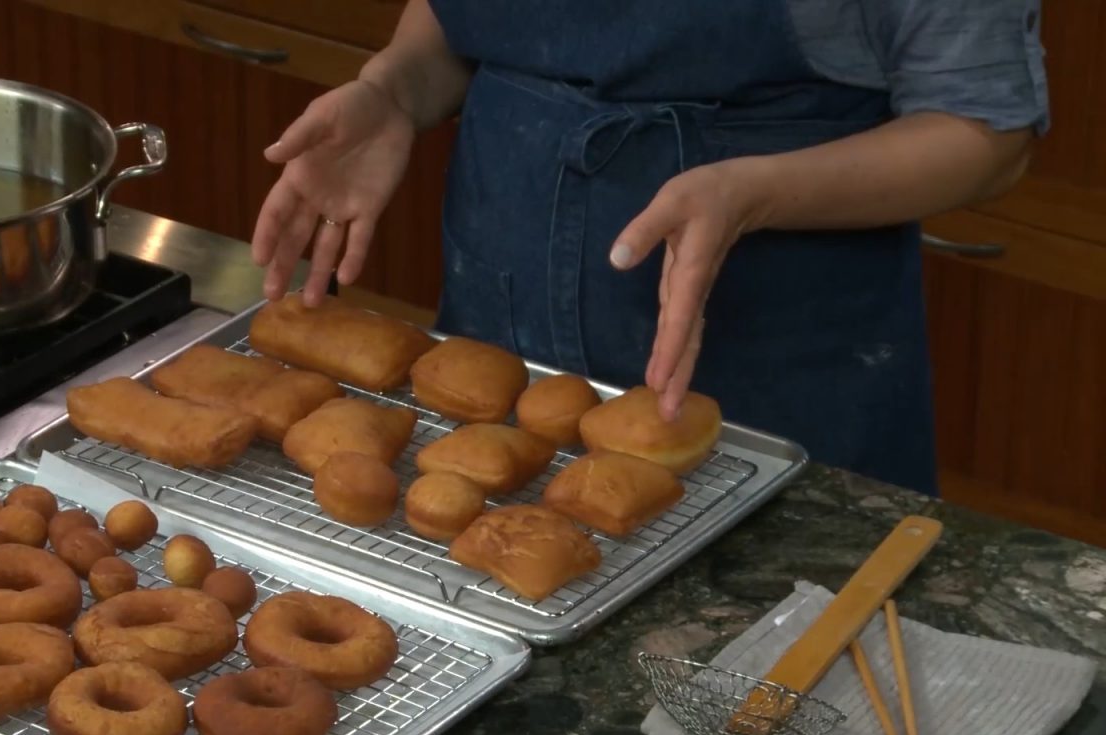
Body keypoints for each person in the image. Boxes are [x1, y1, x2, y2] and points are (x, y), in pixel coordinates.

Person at [249, 0, 1048, 496]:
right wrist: (394, 90)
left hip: (776, 378)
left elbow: (984, 133)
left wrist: (753, 191)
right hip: (500, 345)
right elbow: (464, 21)